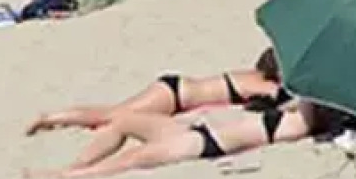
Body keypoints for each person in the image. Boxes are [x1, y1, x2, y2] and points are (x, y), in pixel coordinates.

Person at [27, 99, 333, 179]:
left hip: (204, 143)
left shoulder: (299, 125)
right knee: (121, 122)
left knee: (132, 159)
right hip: (196, 129)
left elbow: (306, 114)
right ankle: (78, 165)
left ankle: (66, 176)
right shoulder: (296, 115)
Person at [24, 49, 286, 135]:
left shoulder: (252, 75)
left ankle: (56, 119)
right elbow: (269, 101)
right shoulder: (266, 86)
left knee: (114, 114)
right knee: (112, 115)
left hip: (176, 91)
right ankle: (51, 118)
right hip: (174, 97)